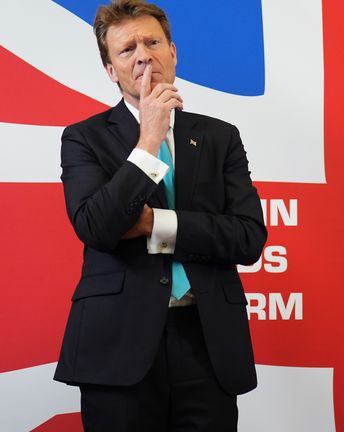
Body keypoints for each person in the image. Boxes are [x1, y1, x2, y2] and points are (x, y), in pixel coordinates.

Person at [53, 1, 267, 430]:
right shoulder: (83, 138)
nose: (143, 55)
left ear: (173, 51)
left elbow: (247, 238)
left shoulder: (220, 137)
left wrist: (154, 223)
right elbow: (97, 226)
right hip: (118, 346)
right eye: (127, 49)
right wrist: (148, 140)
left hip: (205, 342)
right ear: (111, 70)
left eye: (152, 42)